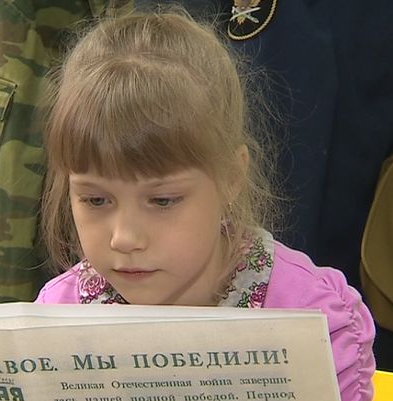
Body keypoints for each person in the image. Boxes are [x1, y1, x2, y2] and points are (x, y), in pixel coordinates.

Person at [33, 9, 375, 401]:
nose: (124, 238)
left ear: (230, 177)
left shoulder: (315, 320)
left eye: (162, 200)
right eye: (96, 199)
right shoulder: (56, 317)